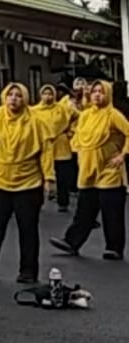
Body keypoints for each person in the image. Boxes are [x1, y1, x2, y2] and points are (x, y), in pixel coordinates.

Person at [49, 79, 129, 259]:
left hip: (109, 171)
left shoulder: (113, 115)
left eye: (101, 91)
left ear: (108, 94)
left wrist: (122, 155)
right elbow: (78, 137)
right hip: (88, 169)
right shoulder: (85, 116)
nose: (98, 95)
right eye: (94, 92)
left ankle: (114, 248)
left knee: (112, 212)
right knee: (85, 210)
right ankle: (71, 242)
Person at [0, 83, 51, 284]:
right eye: (10, 95)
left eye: (18, 95)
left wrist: (49, 178)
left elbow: (46, 151)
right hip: (0, 181)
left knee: (28, 230)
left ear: (25, 98)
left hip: (28, 183)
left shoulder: (36, 121)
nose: (13, 99)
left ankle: (28, 271)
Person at [31, 84, 77, 212]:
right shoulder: (34, 111)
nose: (48, 96)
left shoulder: (63, 109)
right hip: (42, 147)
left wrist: (71, 131)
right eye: (45, 94)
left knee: (63, 176)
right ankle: (37, 201)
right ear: (41, 95)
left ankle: (63, 202)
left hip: (60, 146)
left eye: (50, 94)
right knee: (38, 177)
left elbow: (78, 116)